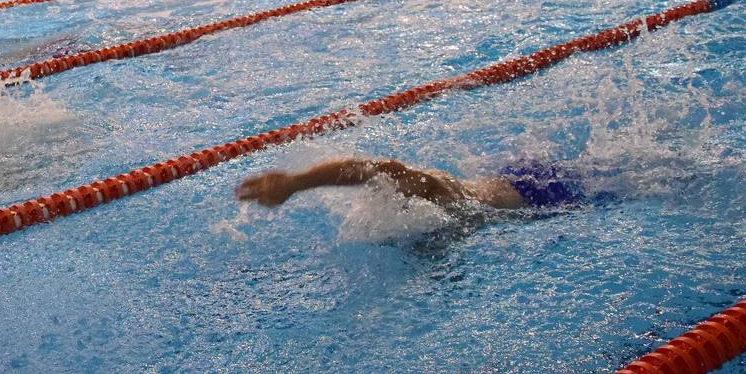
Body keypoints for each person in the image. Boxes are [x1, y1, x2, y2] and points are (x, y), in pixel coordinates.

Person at [236, 156, 601, 212]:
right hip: (509, 179)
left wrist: (298, 183)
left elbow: (382, 167)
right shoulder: (418, 206)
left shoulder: (430, 191)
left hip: (537, 193)